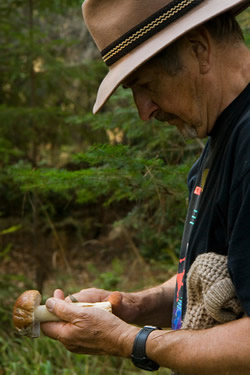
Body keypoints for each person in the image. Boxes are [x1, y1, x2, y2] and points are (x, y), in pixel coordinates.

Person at [42, 0, 250, 374]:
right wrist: (134, 306)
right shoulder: (217, 150)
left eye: (147, 84)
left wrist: (130, 341)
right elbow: (233, 272)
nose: (143, 111)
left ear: (199, 50)